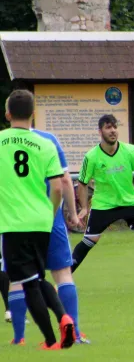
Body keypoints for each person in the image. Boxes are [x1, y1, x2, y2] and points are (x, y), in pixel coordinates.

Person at [1, 89, 75, 349]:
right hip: (42, 222)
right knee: (38, 278)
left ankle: (51, 339)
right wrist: (51, 213)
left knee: (27, 283)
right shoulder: (46, 144)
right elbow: (57, 187)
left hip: (13, 224)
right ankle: (65, 317)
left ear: (8, 113)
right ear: (34, 114)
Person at [7, 127, 89, 345]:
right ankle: (76, 333)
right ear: (32, 112)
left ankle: (19, 338)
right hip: (48, 217)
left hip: (15, 220)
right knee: (62, 274)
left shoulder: (3, 142)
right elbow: (62, 182)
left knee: (18, 279)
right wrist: (71, 212)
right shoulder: (48, 139)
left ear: (8, 115)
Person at [71, 114, 134, 290]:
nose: (113, 130)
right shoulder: (91, 156)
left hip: (130, 202)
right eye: (108, 127)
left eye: (114, 126)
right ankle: (65, 279)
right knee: (90, 240)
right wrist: (84, 208)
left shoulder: (130, 151)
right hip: (104, 205)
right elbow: (82, 184)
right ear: (100, 132)